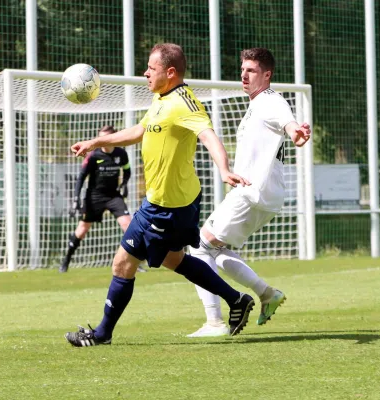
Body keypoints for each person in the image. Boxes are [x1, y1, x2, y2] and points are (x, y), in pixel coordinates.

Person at [65, 43, 255, 347]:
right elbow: (140, 130)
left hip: (164, 207)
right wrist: (95, 142)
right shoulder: (161, 98)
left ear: (170, 72)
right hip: (169, 203)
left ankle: (101, 334)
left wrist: (224, 169)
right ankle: (236, 299)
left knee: (122, 264)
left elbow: (208, 135)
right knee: (174, 259)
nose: (145, 73)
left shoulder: (184, 103)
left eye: (150, 69)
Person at [186, 47, 312, 337]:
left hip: (252, 192)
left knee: (198, 246)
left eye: (251, 70)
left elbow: (289, 124)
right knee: (217, 250)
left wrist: (296, 132)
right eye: (242, 69)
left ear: (267, 75)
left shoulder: (270, 101)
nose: (244, 74)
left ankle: (215, 322)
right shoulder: (257, 103)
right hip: (261, 193)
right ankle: (267, 294)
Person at [60, 125, 145, 273]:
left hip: (113, 196)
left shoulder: (121, 154)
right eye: (99, 137)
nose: (101, 140)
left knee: (128, 225)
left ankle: (134, 263)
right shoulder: (93, 156)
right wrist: (75, 199)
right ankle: (66, 261)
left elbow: (127, 171)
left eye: (104, 137)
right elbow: (81, 177)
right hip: (94, 197)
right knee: (82, 230)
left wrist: (124, 184)